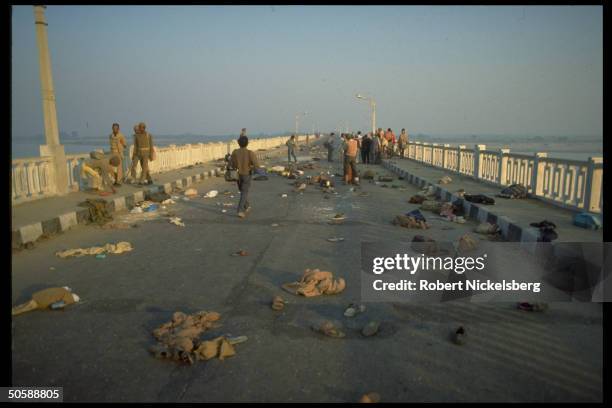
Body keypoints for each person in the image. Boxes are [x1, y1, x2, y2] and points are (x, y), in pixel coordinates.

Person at [230, 133, 259, 218]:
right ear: (247, 143)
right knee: (244, 192)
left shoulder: (235, 152)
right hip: (246, 174)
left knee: (242, 191)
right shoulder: (250, 153)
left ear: (238, 143)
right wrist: (253, 168)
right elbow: (256, 165)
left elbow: (231, 163)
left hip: (237, 175)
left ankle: (247, 205)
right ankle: (240, 210)